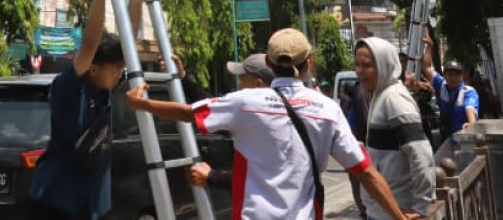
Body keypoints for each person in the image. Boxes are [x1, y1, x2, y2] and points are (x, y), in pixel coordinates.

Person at [125, 28, 421, 220]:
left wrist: (144, 104)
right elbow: (364, 171)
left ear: (268, 63)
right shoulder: (327, 109)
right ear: (309, 64)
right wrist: (399, 216)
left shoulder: (247, 102)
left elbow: (190, 112)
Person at [28, 0, 124, 219]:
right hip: (57, 206)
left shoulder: (104, 91)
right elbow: (90, 44)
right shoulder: (69, 89)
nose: (120, 74)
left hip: (91, 207)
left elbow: (127, 43)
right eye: (116, 69)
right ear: (93, 67)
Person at [355, 38, 435, 220]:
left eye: (366, 65)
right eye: (357, 64)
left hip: (396, 212)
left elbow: (421, 154)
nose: (359, 71)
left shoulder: (394, 98)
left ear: (384, 65)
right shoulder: (381, 94)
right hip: (382, 211)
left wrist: (421, 206)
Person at [188, 54, 275, 192]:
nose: (239, 85)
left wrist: (212, 177)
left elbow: (262, 180)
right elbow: (211, 104)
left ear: (259, 84)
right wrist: (183, 78)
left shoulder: (256, 117)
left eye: (242, 80)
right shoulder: (282, 111)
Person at [421, 37, 479, 166]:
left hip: (467, 139)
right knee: (434, 166)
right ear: (445, 75)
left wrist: (471, 126)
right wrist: (430, 46)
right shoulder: (441, 85)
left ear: (461, 76)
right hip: (450, 138)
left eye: (457, 74)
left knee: (467, 169)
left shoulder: (468, 91)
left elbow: (470, 109)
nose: (453, 77)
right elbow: (426, 67)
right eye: (450, 74)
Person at [343, 74, 372, 220]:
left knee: (356, 181)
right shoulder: (361, 92)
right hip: (361, 143)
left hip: (351, 144)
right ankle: (366, 211)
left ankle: (363, 210)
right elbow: (365, 120)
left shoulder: (353, 94)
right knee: (364, 179)